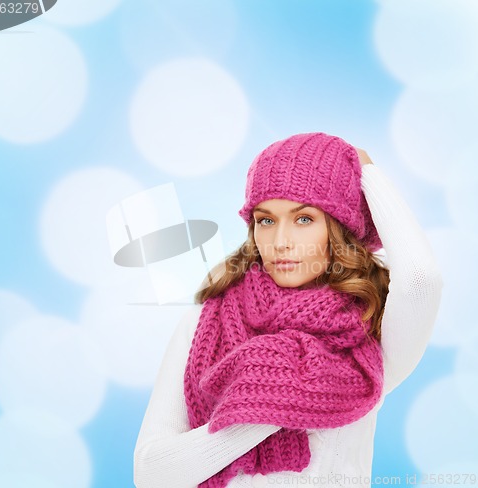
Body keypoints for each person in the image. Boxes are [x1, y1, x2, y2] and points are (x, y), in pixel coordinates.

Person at [133, 132, 443, 488]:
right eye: (266, 220)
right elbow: (151, 473)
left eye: (303, 219)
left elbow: (422, 278)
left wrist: (368, 173)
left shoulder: (370, 330)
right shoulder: (205, 321)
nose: (280, 241)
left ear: (340, 229)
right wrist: (265, 407)